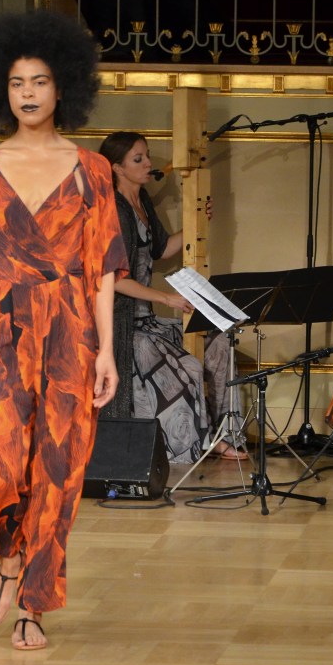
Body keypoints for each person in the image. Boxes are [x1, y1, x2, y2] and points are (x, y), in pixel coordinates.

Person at [0, 9, 128, 652]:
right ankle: (10, 564)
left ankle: (33, 605)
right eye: (17, 83)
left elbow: (103, 267)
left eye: (39, 81)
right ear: (2, 90)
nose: (28, 93)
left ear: (62, 86)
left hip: (71, 329)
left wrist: (107, 351)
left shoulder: (93, 170)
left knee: (59, 469)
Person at [97, 131, 242, 461]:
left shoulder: (142, 201)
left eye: (147, 155)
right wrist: (165, 298)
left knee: (220, 343)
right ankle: (198, 443)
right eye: (138, 159)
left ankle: (226, 431)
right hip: (122, 326)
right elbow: (112, 278)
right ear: (117, 168)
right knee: (188, 366)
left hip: (147, 320)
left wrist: (197, 221)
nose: (148, 163)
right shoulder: (113, 209)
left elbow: (161, 249)